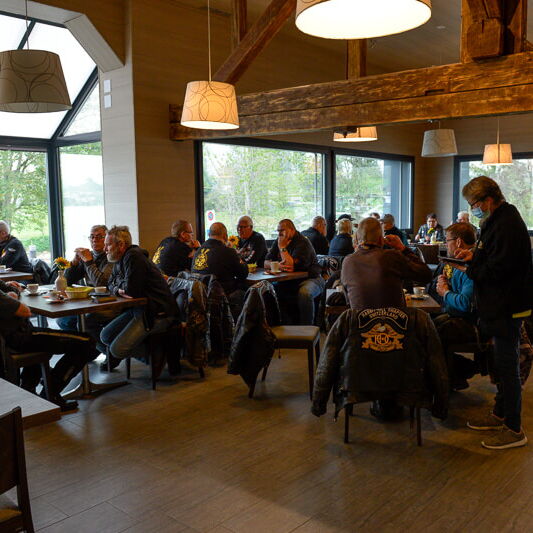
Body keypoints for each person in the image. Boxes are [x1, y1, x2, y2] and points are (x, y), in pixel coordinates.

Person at [455, 176, 532, 450]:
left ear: (488, 200)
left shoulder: (507, 224)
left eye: (473, 203)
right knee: (500, 365)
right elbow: (492, 256)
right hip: (498, 305)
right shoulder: (497, 220)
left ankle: (514, 429)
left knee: (508, 368)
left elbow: (499, 269)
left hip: (507, 306)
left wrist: (470, 269)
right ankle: (500, 414)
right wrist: (472, 257)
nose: (473, 209)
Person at [0, 280, 93, 411]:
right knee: (86, 342)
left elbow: (11, 289)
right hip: (16, 338)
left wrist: (11, 293)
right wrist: (12, 297)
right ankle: (51, 392)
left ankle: (29, 389)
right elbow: (24, 311)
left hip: (16, 335)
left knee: (44, 340)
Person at [99, 226, 177, 365]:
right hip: (139, 310)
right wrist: (119, 289)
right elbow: (110, 283)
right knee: (105, 336)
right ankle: (153, 351)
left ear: (121, 245)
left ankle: (160, 352)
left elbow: (131, 291)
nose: (104, 249)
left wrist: (120, 287)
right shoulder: (120, 259)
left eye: (108, 245)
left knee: (117, 350)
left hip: (158, 313)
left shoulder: (134, 256)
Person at [341, 217, 432, 310]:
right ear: (381, 240)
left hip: (360, 318)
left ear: (356, 238)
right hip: (394, 318)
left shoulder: (347, 261)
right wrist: (402, 248)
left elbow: (349, 300)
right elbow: (426, 275)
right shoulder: (392, 256)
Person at [430, 223, 477, 390]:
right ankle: (453, 376)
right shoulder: (457, 262)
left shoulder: (470, 265)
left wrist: (445, 293)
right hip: (457, 316)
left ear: (458, 242)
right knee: (425, 327)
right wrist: (446, 285)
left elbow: (466, 303)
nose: (445, 244)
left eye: (447, 240)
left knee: (431, 335)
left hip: (473, 324)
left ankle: (462, 370)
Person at [265, 219, 324, 325]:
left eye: (282, 230)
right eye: (278, 231)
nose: (279, 233)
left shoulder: (302, 242)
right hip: (290, 281)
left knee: (304, 293)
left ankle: (307, 330)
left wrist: (282, 248)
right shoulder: (279, 240)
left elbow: (290, 266)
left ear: (292, 230)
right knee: (269, 291)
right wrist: (278, 265)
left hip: (311, 278)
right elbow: (265, 262)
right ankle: (283, 327)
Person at [57, 224, 114, 332]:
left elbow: (101, 284)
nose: (94, 240)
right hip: (89, 301)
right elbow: (67, 281)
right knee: (63, 321)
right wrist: (74, 263)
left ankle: (93, 342)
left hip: (109, 302)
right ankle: (80, 342)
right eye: (92, 236)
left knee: (84, 322)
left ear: (107, 239)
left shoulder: (111, 256)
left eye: (99, 237)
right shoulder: (88, 256)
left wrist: (88, 262)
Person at [191, 222, 249, 316]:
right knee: (245, 289)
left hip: (200, 300)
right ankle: (241, 324)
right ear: (225, 236)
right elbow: (243, 274)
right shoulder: (228, 252)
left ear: (209, 235)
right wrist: (236, 254)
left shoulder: (198, 251)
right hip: (220, 299)